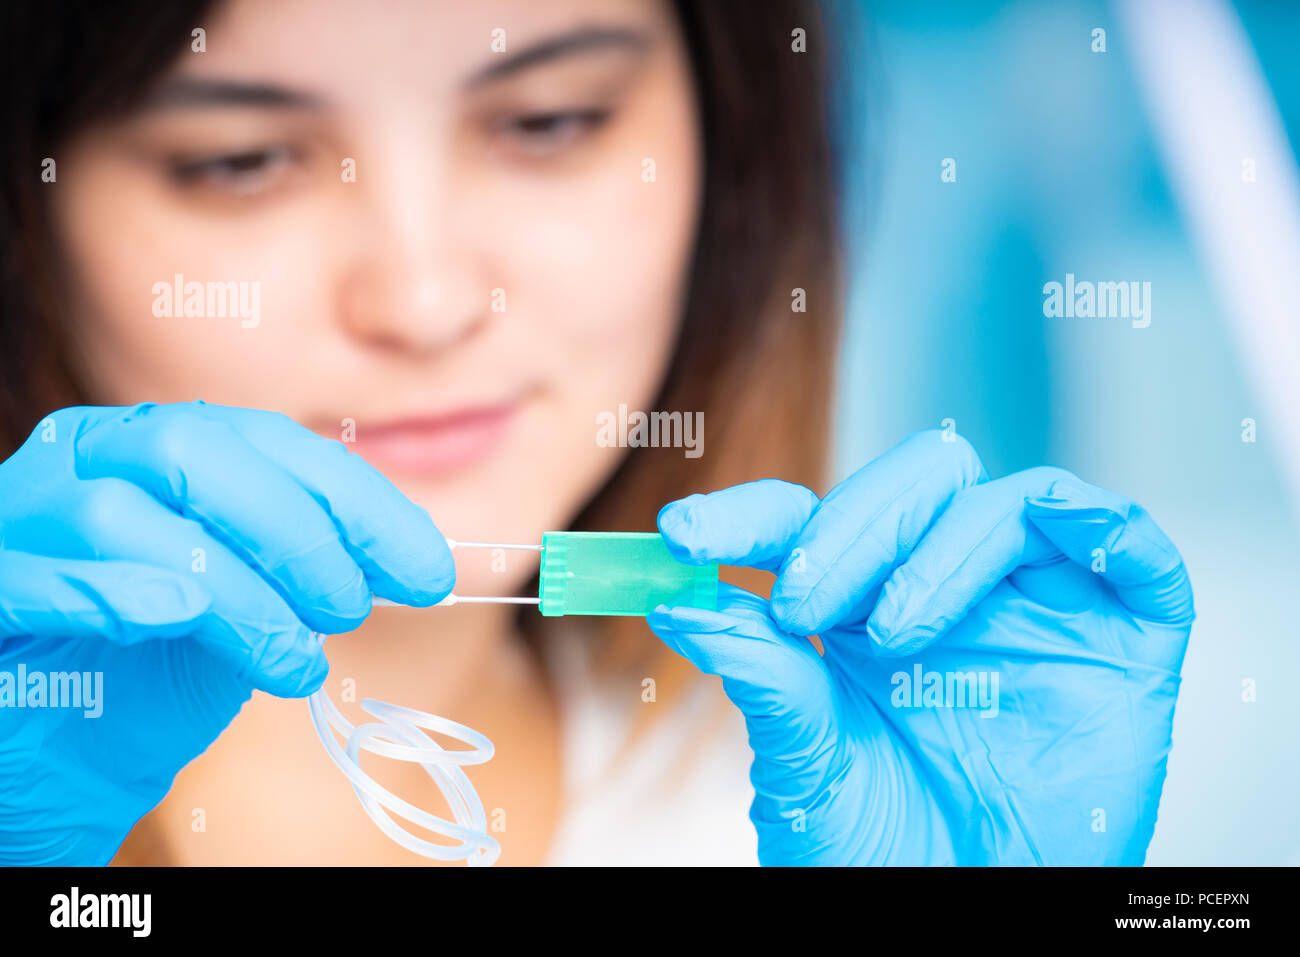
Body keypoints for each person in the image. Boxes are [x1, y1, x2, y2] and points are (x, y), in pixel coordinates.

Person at [0, 0, 1192, 866]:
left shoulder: (819, 779)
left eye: (549, 121)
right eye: (241, 160)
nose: (426, 302)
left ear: (731, 157)